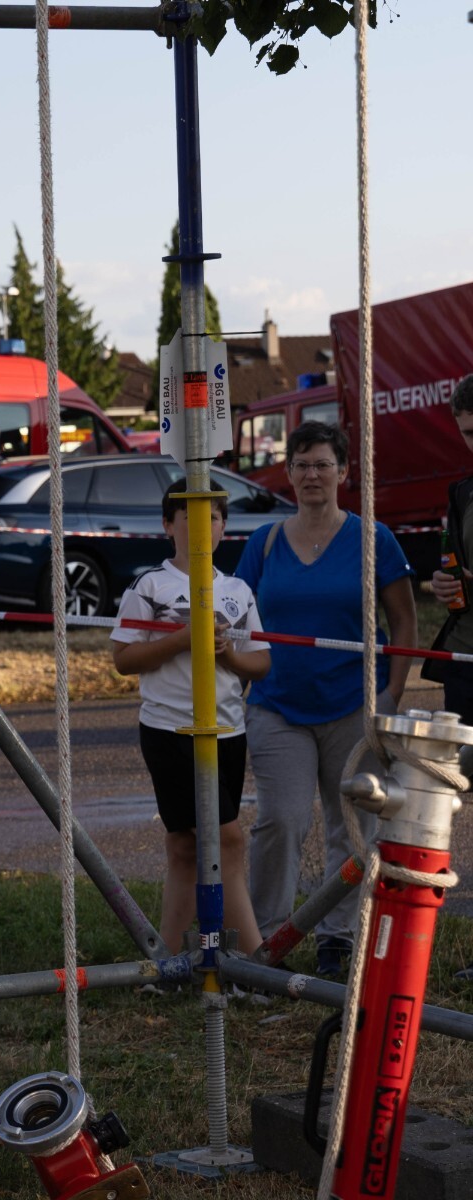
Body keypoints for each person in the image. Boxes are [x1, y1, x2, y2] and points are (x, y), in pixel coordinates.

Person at [235, 420, 416, 978]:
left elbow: (404, 620)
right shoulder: (264, 543)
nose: (312, 474)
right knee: (281, 821)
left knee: (352, 826)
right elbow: (234, 621)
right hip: (277, 706)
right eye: (302, 465)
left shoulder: (374, 539)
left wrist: (390, 693)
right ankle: (268, 940)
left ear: (344, 471)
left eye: (322, 464)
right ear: (288, 474)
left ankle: (338, 937)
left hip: (353, 706)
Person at [112, 485, 270, 959]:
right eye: (189, 518)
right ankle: (257, 963)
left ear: (224, 527)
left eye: (213, 518)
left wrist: (227, 655)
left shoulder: (237, 590)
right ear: (168, 525)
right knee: (227, 840)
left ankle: (167, 962)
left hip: (229, 729)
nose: (203, 528)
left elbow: (260, 662)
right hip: (172, 730)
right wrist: (182, 640)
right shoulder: (150, 586)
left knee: (185, 846)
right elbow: (124, 658)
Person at [419, 373, 473, 982]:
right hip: (465, 658)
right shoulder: (461, 492)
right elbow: (453, 570)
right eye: (466, 433)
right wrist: (444, 585)